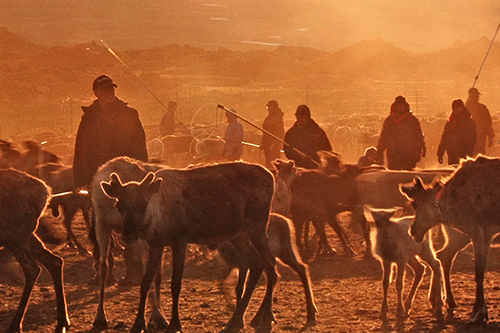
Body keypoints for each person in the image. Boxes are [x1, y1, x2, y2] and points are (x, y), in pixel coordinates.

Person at [73, 74, 148, 190]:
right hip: (98, 177)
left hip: (126, 176)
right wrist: (80, 181)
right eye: (104, 89)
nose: (109, 92)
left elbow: (140, 146)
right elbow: (81, 151)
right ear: (96, 92)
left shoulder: (129, 115)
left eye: (111, 89)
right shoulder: (88, 119)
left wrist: (142, 172)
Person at [376, 95, 425, 170]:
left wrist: (420, 150)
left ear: (405, 106)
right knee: (394, 177)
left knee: (408, 177)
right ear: (395, 106)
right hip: (393, 154)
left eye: (402, 105)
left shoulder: (412, 120)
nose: (400, 107)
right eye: (398, 105)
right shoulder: (389, 121)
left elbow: (419, 137)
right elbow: (384, 137)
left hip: (409, 154)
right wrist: (380, 151)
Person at [283, 104, 332, 169]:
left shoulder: (318, 131)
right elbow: (287, 150)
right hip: (298, 168)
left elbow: (327, 149)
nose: (299, 118)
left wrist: (314, 156)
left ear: (307, 115)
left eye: (302, 115)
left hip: (316, 167)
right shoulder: (291, 133)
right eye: (298, 115)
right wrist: (299, 157)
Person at [437, 99, 477, 165]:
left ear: (462, 108)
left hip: (464, 153)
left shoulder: (469, 121)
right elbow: (445, 137)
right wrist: (440, 153)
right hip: (452, 153)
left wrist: (469, 150)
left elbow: (473, 137)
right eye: (455, 108)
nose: (457, 109)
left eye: (459, 107)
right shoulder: (450, 121)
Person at [465, 87, 495, 155]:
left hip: (479, 136)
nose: (477, 97)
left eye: (477, 96)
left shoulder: (482, 108)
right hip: (468, 137)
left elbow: (487, 124)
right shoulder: (465, 109)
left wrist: (490, 136)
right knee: (470, 156)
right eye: (475, 96)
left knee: (479, 155)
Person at [261, 100, 285, 170]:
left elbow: (279, 132)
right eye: (267, 107)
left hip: (273, 146)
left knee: (274, 163)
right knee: (268, 162)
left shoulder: (277, 118)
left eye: (269, 107)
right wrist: (263, 142)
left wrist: (274, 143)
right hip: (267, 145)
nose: (268, 109)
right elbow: (265, 132)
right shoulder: (268, 118)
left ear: (274, 107)